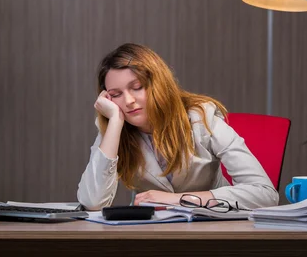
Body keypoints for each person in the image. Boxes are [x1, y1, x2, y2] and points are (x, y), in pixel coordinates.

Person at [77, 43, 279, 211]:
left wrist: (181, 199)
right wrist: (114, 123)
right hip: (154, 236)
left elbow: (265, 194)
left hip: (213, 230)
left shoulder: (202, 117)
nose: (128, 101)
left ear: (158, 84)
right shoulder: (116, 125)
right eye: (116, 94)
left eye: (137, 87)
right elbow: (93, 203)